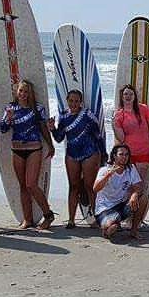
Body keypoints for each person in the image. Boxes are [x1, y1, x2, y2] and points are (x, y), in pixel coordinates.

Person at [0, 79, 56, 230]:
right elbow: (3, 129)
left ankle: (48, 214)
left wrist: (50, 145)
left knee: (31, 184)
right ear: (16, 92)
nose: (23, 94)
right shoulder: (10, 108)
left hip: (34, 148)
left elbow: (43, 128)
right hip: (16, 149)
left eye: (26, 91)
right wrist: (9, 117)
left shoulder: (37, 109)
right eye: (21, 91)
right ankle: (28, 219)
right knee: (23, 186)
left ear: (30, 93)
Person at [48, 89, 102, 229]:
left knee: (90, 187)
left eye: (76, 101)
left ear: (81, 102)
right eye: (71, 100)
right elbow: (59, 139)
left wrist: (103, 153)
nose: (73, 103)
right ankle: (71, 220)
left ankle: (96, 217)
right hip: (72, 154)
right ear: (67, 100)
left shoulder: (87, 114)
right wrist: (52, 128)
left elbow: (98, 135)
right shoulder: (64, 116)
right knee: (73, 187)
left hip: (90, 152)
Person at [112, 84, 149, 207]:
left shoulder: (143, 109)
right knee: (127, 187)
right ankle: (127, 217)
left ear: (134, 96)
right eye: (125, 94)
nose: (128, 96)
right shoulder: (119, 114)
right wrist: (114, 123)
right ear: (122, 97)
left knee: (139, 187)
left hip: (144, 152)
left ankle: (135, 219)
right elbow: (121, 138)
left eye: (130, 94)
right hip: (128, 155)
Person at [92, 144, 147, 240]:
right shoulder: (104, 170)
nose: (124, 157)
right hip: (104, 208)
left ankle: (133, 231)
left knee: (143, 198)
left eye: (126, 155)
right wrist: (108, 175)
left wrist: (135, 194)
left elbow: (139, 187)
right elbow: (95, 189)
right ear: (114, 155)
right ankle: (108, 227)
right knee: (111, 226)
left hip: (121, 205)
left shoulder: (131, 169)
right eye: (121, 154)